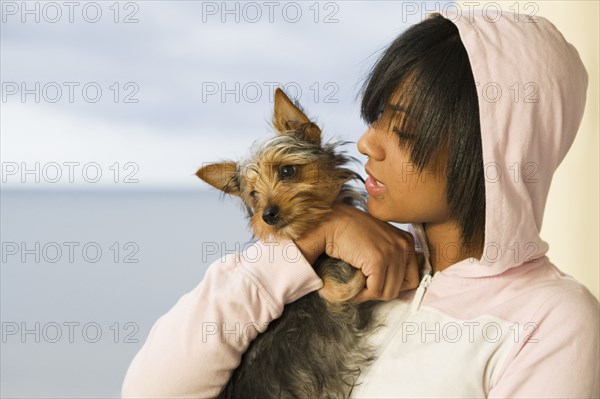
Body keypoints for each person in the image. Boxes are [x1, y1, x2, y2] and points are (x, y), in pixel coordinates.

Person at [121, 9, 599, 398]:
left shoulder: (552, 321)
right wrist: (306, 242)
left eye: (404, 129)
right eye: (374, 117)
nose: (367, 142)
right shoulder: (327, 267)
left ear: (497, 145)